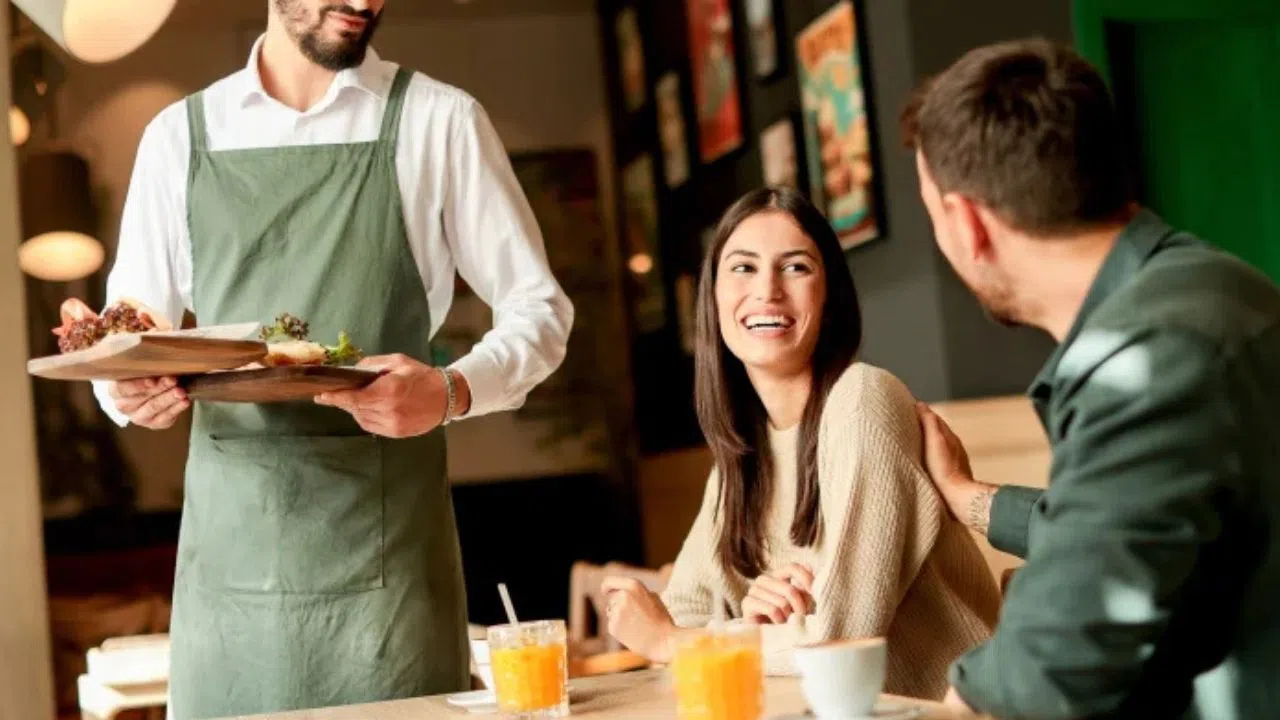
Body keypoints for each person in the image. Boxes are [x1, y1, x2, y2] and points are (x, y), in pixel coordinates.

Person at [92, 1, 573, 717]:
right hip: (232, 566)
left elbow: (541, 311)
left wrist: (451, 391)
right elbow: (126, 338)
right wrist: (128, 393)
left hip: (390, 570)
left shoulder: (436, 120)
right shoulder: (178, 138)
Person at [903, 38, 1280, 719]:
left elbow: (1053, 669)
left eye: (931, 212)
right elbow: (1129, 528)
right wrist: (969, 498)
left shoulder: (1150, 356)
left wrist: (963, 696)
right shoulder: (1209, 286)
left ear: (966, 223)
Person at [601, 187, 1000, 699]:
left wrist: (677, 642)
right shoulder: (742, 456)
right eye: (743, 268)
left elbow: (839, 640)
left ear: (829, 298)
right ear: (714, 298)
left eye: (795, 267)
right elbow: (686, 610)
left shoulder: (863, 402)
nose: (767, 290)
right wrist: (748, 624)